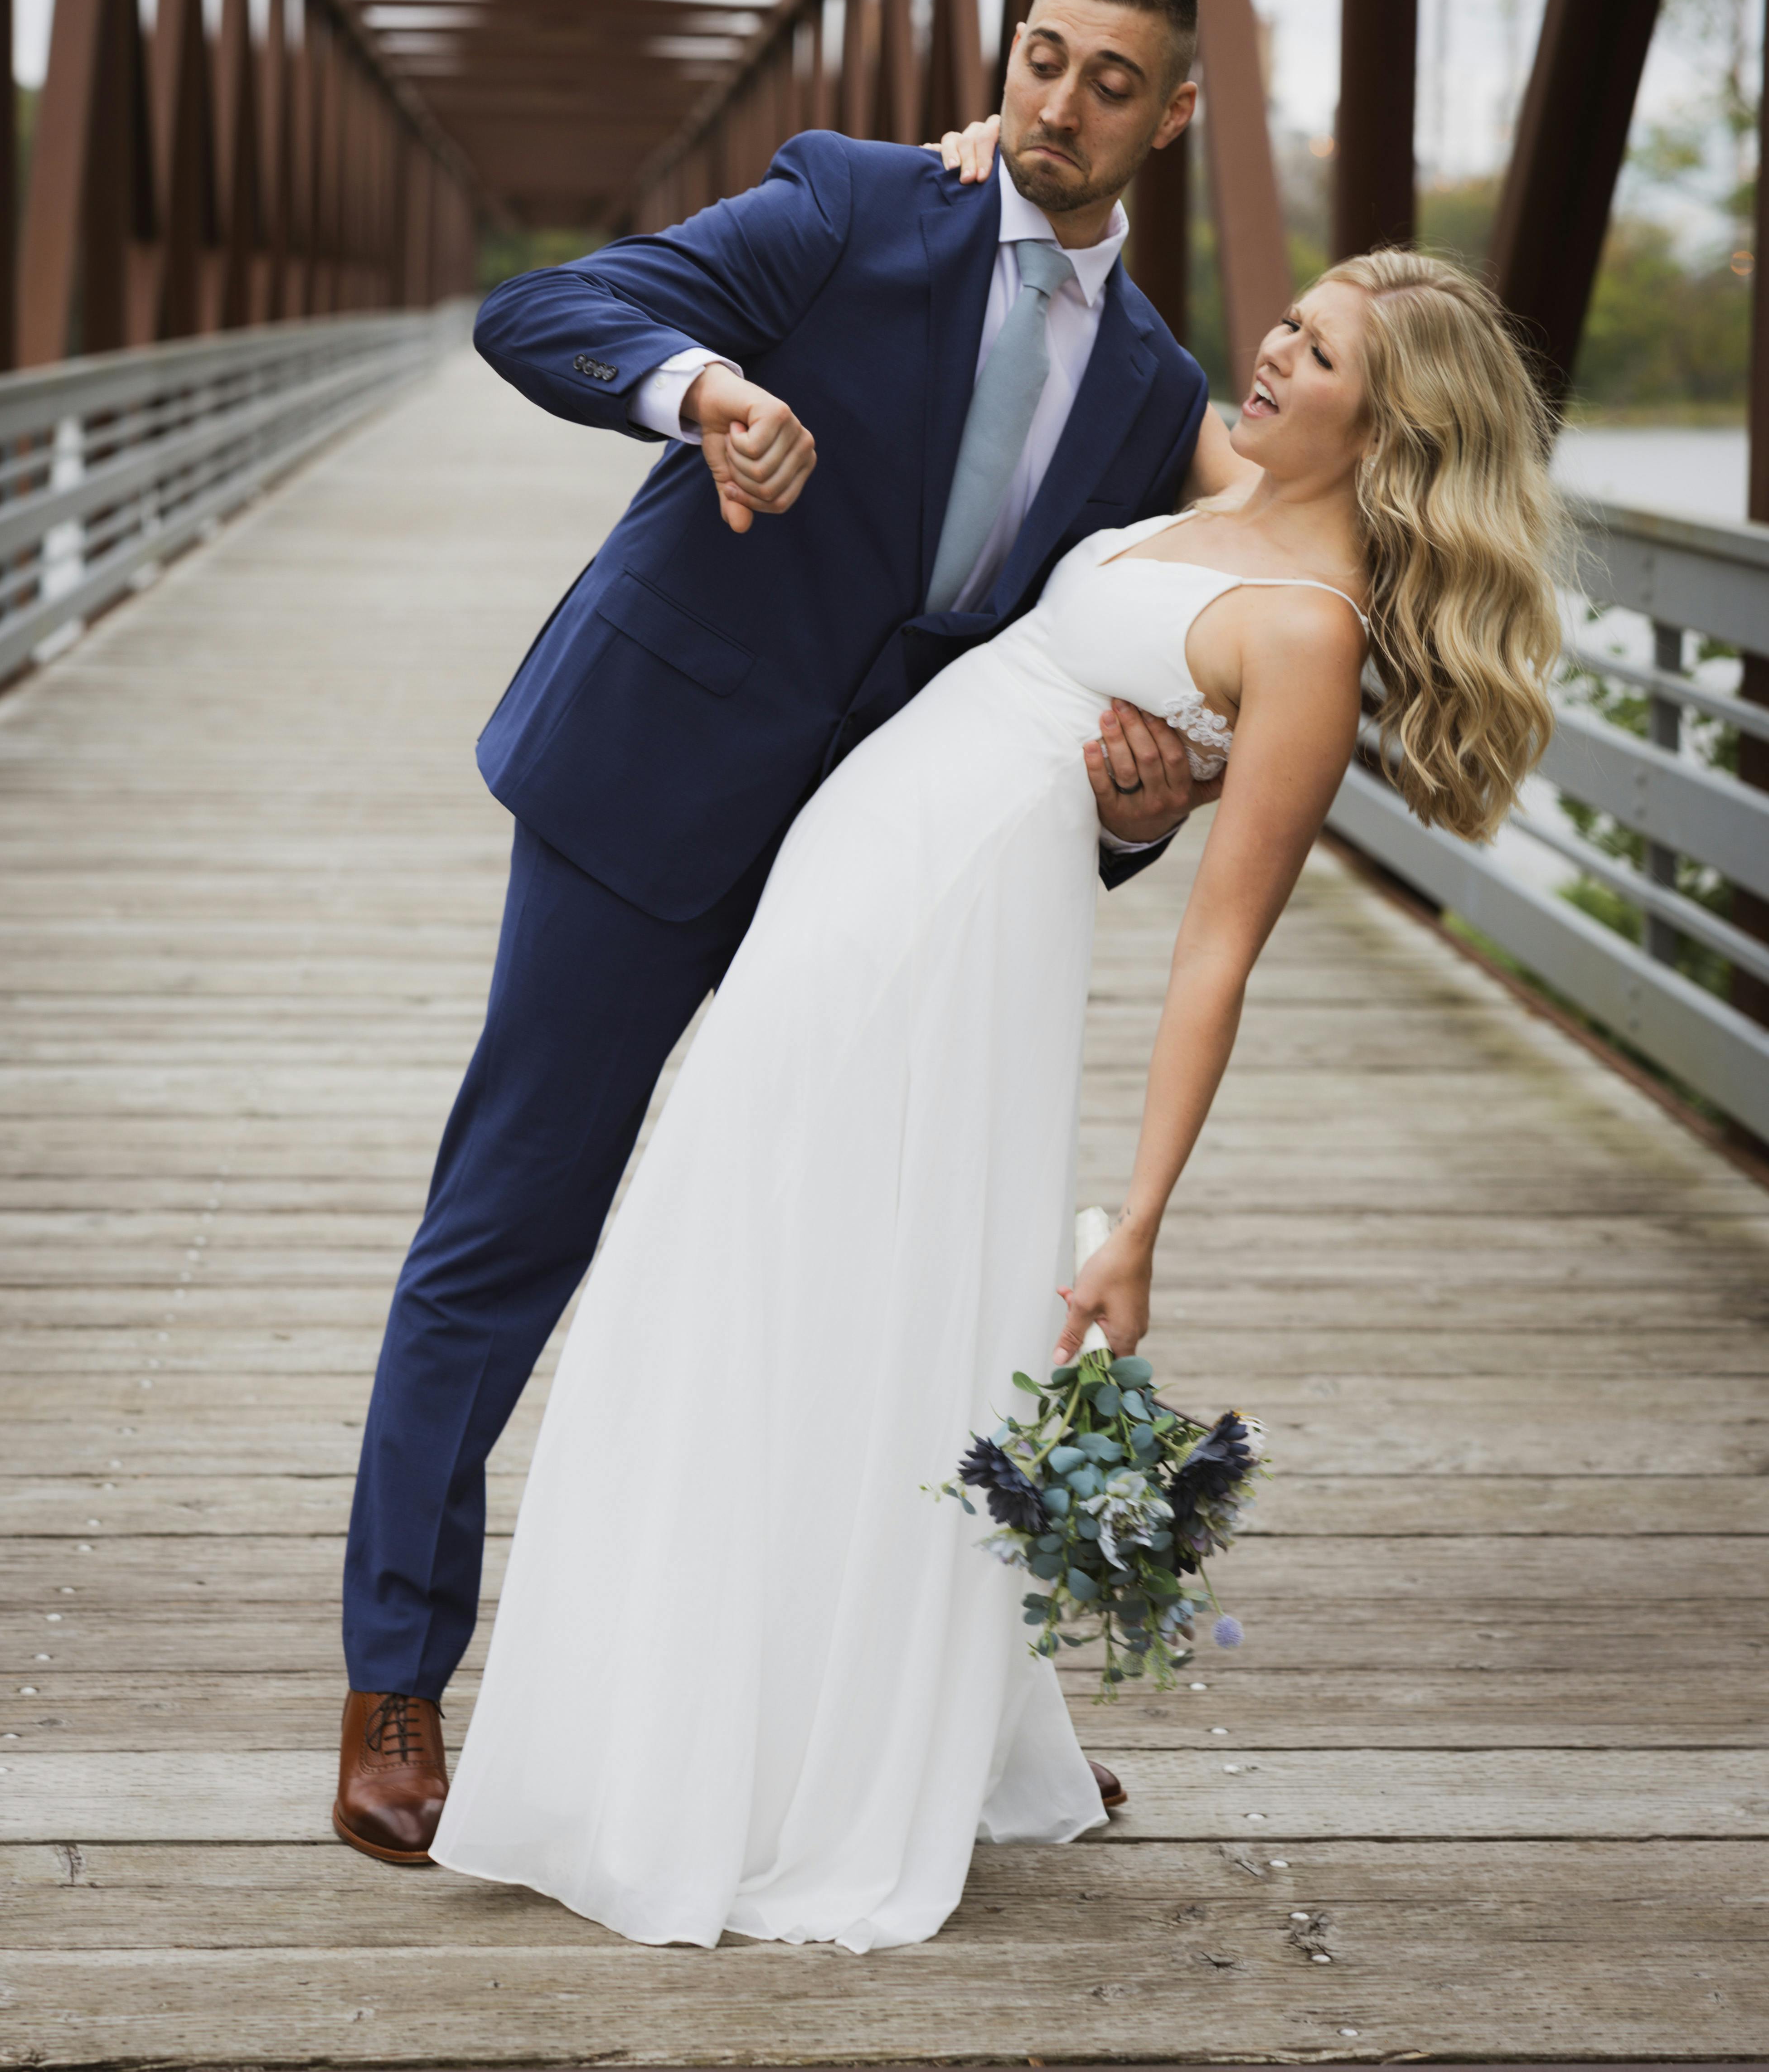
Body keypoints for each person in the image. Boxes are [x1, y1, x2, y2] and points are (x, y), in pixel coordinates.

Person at [429, 240, 1562, 1949]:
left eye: (1316, 354)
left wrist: (1145, 1224)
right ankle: (729, 1711)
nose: (1268, 353)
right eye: (1291, 318)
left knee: (760, 1280)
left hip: (936, 949)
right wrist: (983, 160)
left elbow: (1217, 952)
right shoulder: (1230, 487)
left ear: (1388, 422)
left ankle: (750, 1764)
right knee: (767, 1279)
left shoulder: (1305, 631)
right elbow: (1056, 335)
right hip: (855, 893)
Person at [336, 0, 1237, 1865]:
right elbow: (541, 306)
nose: (1057, 107)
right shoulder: (845, 200)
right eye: (1039, 60)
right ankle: (398, 1679)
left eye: (1106, 83)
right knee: (509, 1229)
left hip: (873, 870)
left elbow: (1090, 682)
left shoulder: (1157, 391)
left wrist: (1139, 812)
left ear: (1172, 118)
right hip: (645, 786)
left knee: (853, 1279)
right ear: (1006, 56)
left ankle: (886, 1717)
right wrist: (700, 391)